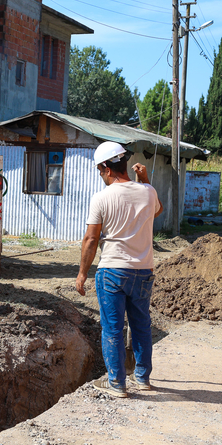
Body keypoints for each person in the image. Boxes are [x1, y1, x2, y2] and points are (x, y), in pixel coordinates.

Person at [76, 141, 163, 398]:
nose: (101, 176)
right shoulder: (148, 192)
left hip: (113, 271)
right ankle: (143, 378)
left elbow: (91, 240)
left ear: (107, 168)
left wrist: (82, 273)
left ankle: (117, 384)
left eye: (100, 171)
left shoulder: (102, 198)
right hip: (144, 271)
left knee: (113, 329)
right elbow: (155, 212)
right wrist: (145, 181)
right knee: (141, 325)